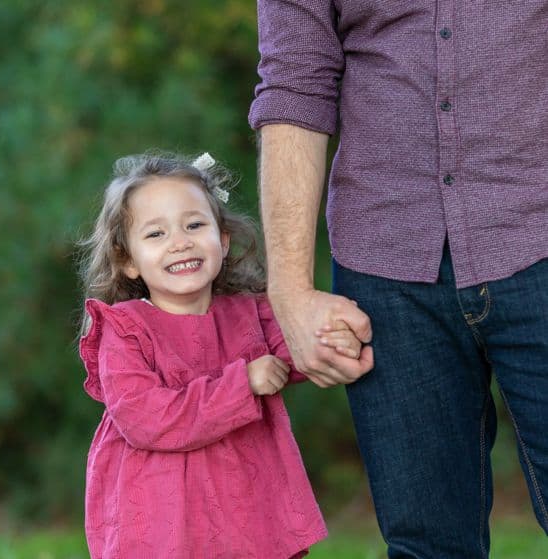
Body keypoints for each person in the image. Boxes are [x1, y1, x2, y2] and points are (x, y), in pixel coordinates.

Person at [252, 2, 548, 555]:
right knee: (427, 545)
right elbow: (294, 83)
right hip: (386, 267)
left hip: (538, 235)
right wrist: (289, 291)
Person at [77, 153, 354, 557]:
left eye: (194, 224)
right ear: (127, 260)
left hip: (247, 511)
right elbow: (145, 417)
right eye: (156, 234)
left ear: (222, 240)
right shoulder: (125, 329)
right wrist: (241, 385)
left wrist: (335, 337)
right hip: (163, 523)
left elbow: (300, 344)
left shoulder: (250, 313)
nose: (180, 242)